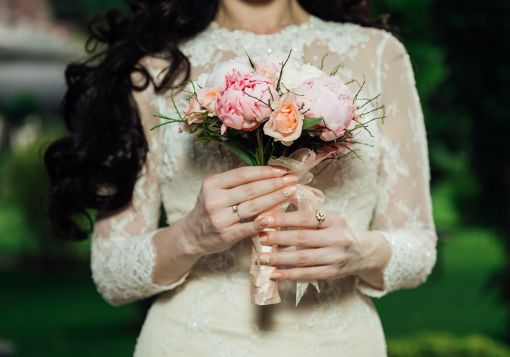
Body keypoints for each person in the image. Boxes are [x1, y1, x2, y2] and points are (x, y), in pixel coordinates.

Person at [44, 0, 438, 355]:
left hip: (339, 342)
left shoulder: (380, 54)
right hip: (190, 342)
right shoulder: (155, 69)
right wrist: (191, 236)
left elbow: (418, 248)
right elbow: (112, 273)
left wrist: (359, 251)